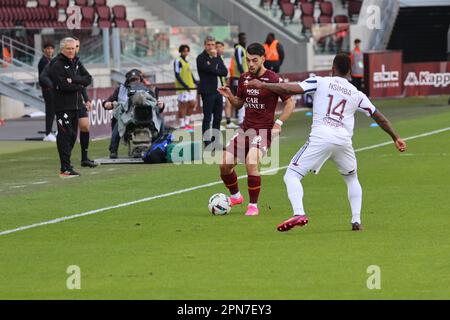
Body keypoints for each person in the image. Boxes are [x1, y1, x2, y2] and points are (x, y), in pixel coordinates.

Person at [246, 53, 407, 231]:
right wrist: (395, 137)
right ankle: (356, 221)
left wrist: (264, 85)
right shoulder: (357, 93)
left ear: (332, 68)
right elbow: (379, 117)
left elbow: (289, 89)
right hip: (343, 142)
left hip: (321, 137)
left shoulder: (320, 81)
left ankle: (299, 212)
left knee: (291, 175)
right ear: (351, 71)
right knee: (352, 178)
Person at [218, 43, 295, 216]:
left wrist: (278, 123)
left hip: (264, 131)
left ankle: (253, 205)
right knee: (224, 165)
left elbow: (290, 103)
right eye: (248, 60)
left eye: (254, 60)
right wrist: (230, 96)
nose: (250, 64)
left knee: (251, 162)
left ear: (263, 59)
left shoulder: (273, 79)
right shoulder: (244, 78)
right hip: (245, 129)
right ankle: (236, 196)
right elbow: (239, 103)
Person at [49, 37, 92, 177]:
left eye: (73, 48)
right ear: (62, 49)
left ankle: (67, 165)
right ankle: (65, 168)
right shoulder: (57, 64)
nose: (71, 51)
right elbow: (63, 86)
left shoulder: (77, 62)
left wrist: (74, 80)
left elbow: (88, 79)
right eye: (68, 48)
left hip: (76, 106)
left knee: (73, 135)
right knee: (65, 135)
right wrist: (79, 85)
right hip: (63, 106)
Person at [103, 69, 165, 158]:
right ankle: (113, 150)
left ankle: (160, 147)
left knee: (161, 120)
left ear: (140, 79)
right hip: (127, 118)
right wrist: (106, 104)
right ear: (128, 81)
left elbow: (156, 106)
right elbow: (108, 101)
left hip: (147, 116)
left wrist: (161, 105)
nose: (135, 82)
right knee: (118, 122)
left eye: (136, 79)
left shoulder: (147, 90)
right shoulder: (120, 90)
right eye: (132, 80)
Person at [196, 35, 228, 147]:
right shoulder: (201, 58)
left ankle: (216, 142)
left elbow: (224, 72)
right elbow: (209, 70)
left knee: (218, 117)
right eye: (208, 45)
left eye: (213, 45)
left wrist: (215, 68)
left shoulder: (217, 56)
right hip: (207, 91)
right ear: (205, 45)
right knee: (208, 117)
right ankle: (207, 142)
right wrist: (214, 61)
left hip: (218, 91)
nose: (211, 47)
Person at [73, 37, 97, 168]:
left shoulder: (77, 62)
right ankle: (65, 160)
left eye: (77, 46)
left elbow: (84, 82)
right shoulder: (60, 63)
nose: (75, 49)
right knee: (70, 134)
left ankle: (84, 158)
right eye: (72, 47)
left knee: (85, 126)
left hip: (78, 101)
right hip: (66, 102)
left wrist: (86, 99)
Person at [216, 41, 239, 130]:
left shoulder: (221, 57)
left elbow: (224, 72)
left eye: (221, 47)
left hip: (223, 84)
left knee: (228, 103)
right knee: (219, 105)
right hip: (217, 85)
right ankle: (217, 123)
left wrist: (226, 80)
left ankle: (228, 122)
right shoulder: (215, 58)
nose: (219, 49)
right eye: (217, 47)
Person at [174, 44, 197, 131]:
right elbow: (177, 74)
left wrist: (195, 81)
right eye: (184, 51)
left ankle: (187, 123)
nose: (186, 52)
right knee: (182, 105)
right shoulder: (178, 61)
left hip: (190, 86)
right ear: (180, 51)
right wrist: (184, 85)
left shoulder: (186, 62)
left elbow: (189, 74)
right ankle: (182, 124)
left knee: (192, 103)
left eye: (187, 51)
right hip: (182, 87)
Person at [38, 42, 56, 142]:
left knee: (53, 111)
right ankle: (48, 133)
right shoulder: (43, 61)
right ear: (44, 50)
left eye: (51, 48)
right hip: (48, 90)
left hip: (52, 89)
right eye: (47, 48)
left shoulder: (51, 60)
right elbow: (43, 77)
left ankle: (49, 132)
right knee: (50, 111)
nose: (49, 50)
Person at [231, 33, 248, 127]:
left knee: (244, 98)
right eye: (242, 38)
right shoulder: (239, 49)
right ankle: (240, 120)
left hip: (242, 77)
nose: (244, 40)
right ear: (239, 39)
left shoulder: (243, 49)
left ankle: (243, 119)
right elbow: (239, 63)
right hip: (238, 77)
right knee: (240, 98)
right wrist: (244, 75)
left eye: (245, 38)